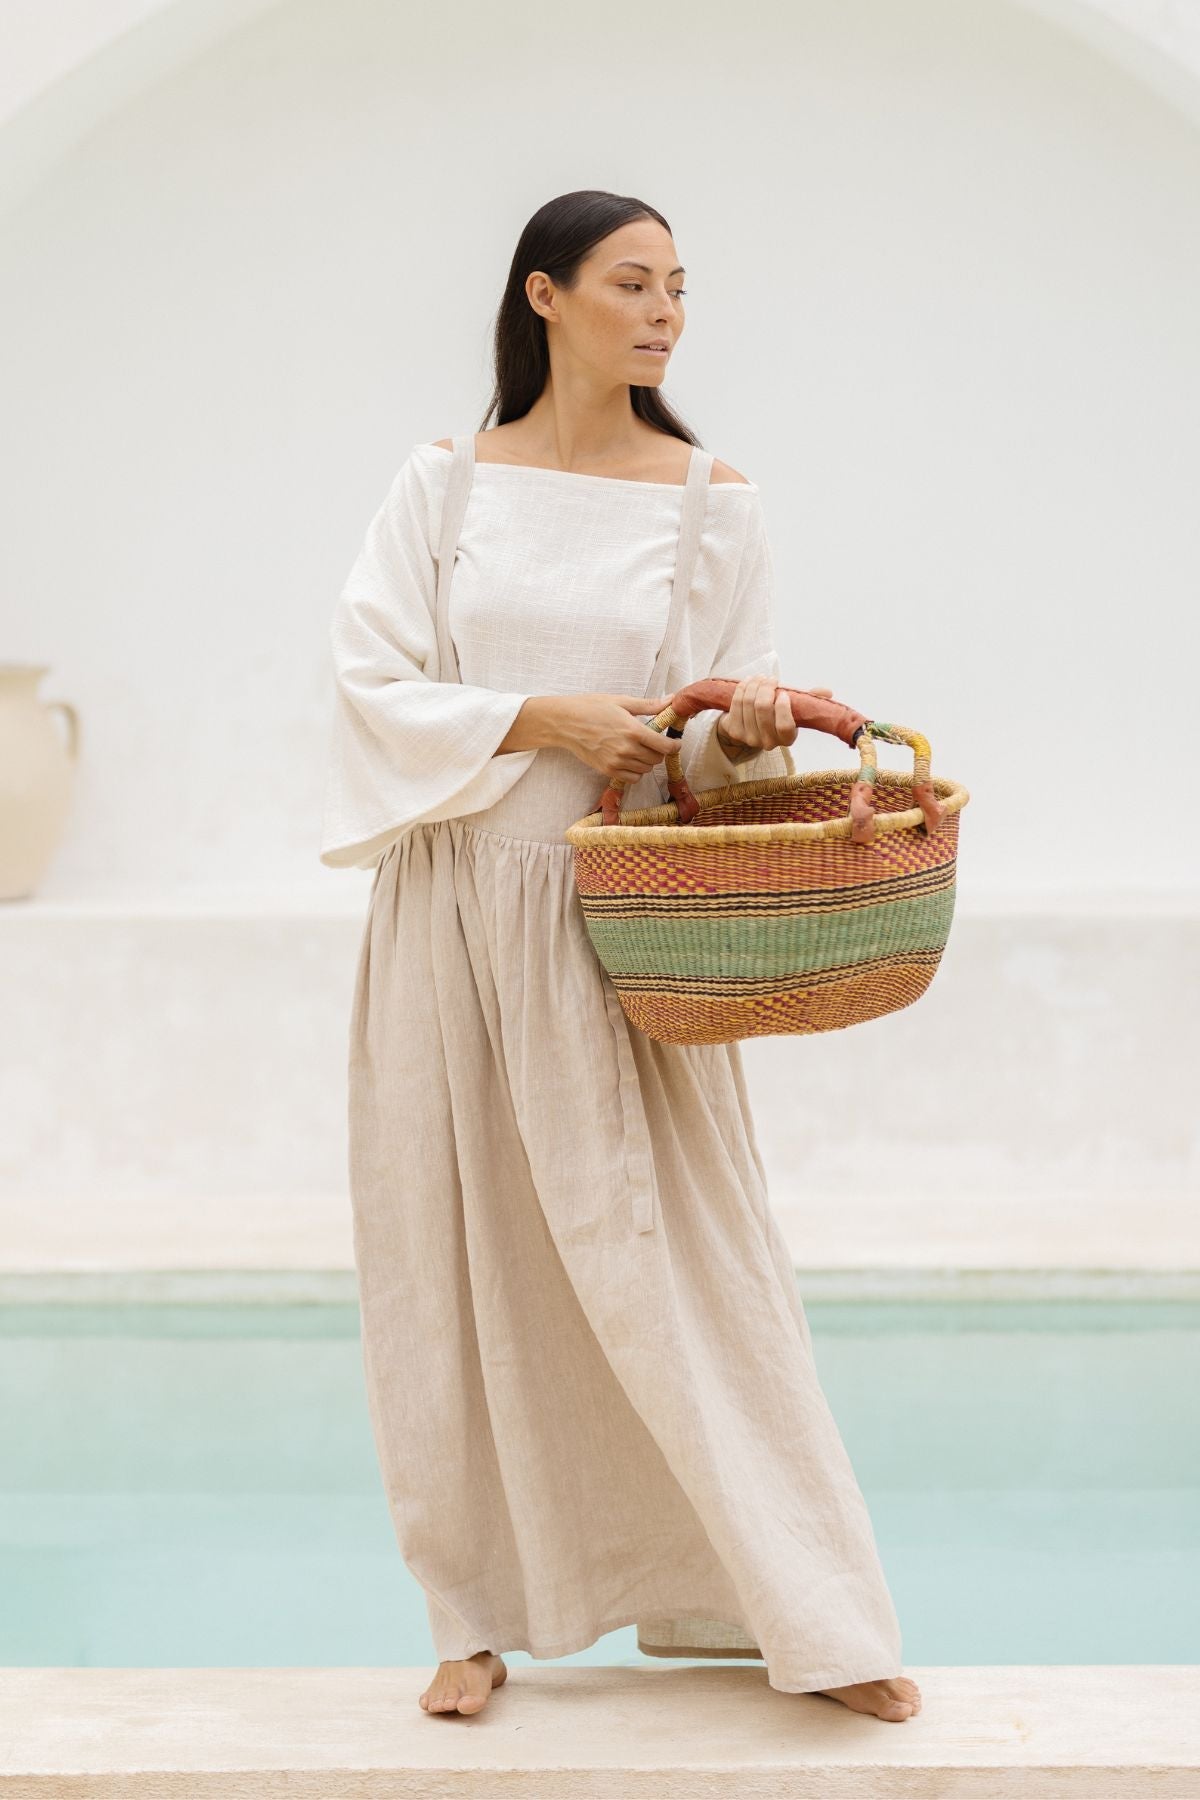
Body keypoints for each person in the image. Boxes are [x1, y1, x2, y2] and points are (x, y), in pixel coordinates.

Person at [320, 188, 921, 1726]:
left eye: (676, 289)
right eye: (630, 283)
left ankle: (797, 1603)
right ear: (544, 297)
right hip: (453, 912)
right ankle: (467, 1617)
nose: (661, 312)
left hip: (616, 924)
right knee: (447, 1260)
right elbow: (365, 679)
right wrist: (535, 715)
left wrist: (741, 728)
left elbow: (713, 766)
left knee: (681, 1259)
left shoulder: (714, 501)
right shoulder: (444, 488)